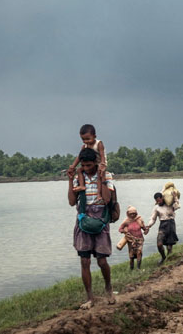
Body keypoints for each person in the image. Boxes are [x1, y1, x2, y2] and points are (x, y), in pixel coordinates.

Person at [68, 148, 115, 309]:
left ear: (95, 162)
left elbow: (107, 199)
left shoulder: (107, 176)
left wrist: (101, 178)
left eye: (89, 165)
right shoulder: (78, 178)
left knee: (102, 261)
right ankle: (90, 297)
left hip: (100, 218)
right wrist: (70, 181)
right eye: (83, 165)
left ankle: (108, 287)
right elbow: (71, 201)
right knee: (84, 260)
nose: (86, 168)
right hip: (83, 219)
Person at [67, 124, 108, 194]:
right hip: (91, 164)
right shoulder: (85, 146)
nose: (86, 141)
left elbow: (102, 155)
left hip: (99, 163)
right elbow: (79, 157)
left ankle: (98, 193)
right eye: (83, 139)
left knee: (99, 175)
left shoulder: (99, 144)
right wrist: (73, 166)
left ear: (94, 136)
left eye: (88, 139)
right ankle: (82, 185)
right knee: (79, 170)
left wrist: (102, 164)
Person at [147, 192, 178, 265]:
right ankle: (163, 257)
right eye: (157, 201)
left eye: (159, 200)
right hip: (162, 225)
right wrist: (148, 226)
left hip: (171, 224)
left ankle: (169, 261)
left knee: (169, 247)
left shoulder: (169, 204)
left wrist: (175, 198)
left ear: (162, 198)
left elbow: (176, 207)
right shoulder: (156, 208)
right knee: (159, 244)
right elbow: (153, 219)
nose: (158, 202)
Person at [117, 206, 146, 270]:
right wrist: (124, 231)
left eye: (134, 213)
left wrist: (146, 229)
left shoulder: (139, 219)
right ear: (128, 214)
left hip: (140, 239)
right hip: (131, 241)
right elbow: (120, 229)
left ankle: (138, 268)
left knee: (139, 252)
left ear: (136, 213)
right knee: (131, 256)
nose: (132, 215)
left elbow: (144, 228)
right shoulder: (126, 221)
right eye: (131, 214)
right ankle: (131, 268)